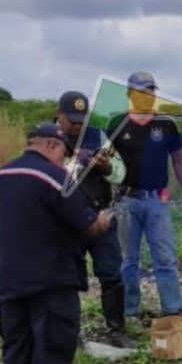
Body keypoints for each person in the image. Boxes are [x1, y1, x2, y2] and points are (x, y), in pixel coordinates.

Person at [0, 123, 114, 364]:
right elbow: (87, 226)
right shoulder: (56, 179)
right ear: (52, 146)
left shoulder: (0, 178)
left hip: (10, 279)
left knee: (17, 345)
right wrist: (104, 221)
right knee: (52, 344)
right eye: (64, 151)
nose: (65, 159)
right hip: (52, 279)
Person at [110, 71, 182, 320]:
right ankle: (130, 313)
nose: (148, 96)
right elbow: (106, 163)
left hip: (157, 201)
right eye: (142, 91)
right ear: (130, 94)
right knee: (128, 260)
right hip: (126, 201)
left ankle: (173, 310)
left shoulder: (166, 124)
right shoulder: (116, 124)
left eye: (151, 91)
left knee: (165, 258)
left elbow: (179, 162)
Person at [54, 90, 131, 347]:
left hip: (100, 214)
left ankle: (117, 329)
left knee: (111, 274)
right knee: (67, 280)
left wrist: (105, 167)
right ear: (59, 116)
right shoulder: (46, 138)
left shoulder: (98, 136)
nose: (77, 125)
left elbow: (120, 174)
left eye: (82, 119)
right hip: (65, 222)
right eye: (72, 120)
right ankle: (69, 334)